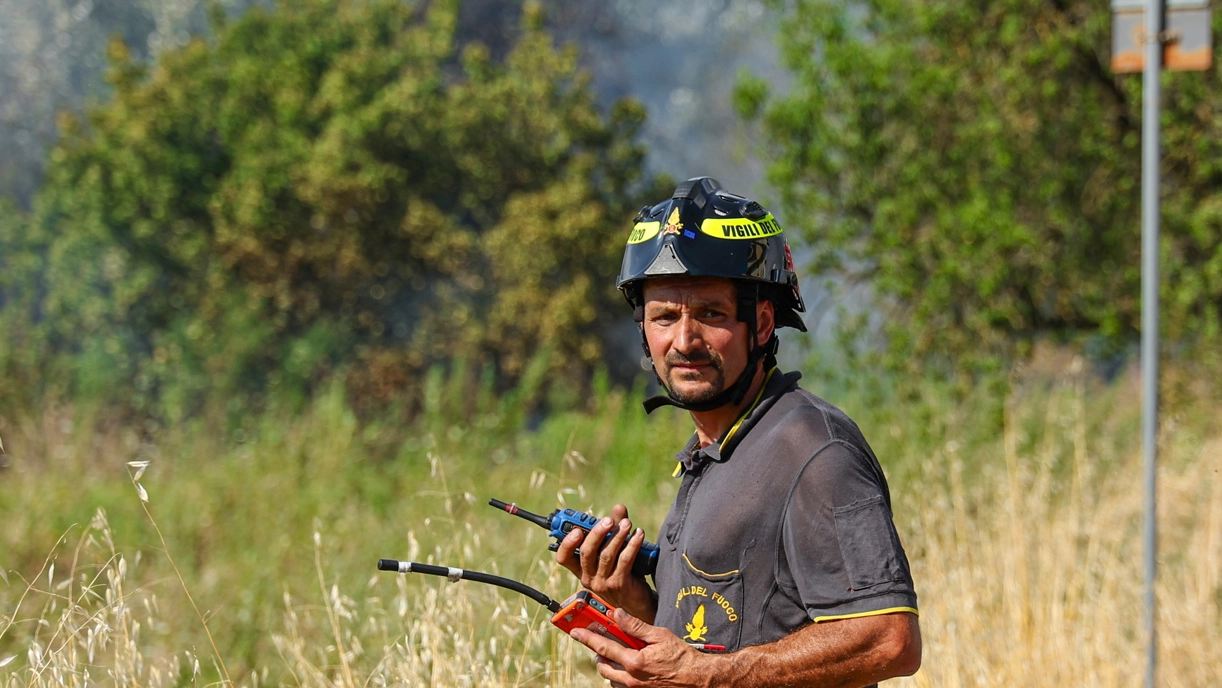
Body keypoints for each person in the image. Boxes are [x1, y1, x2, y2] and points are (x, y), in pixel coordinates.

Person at [555, 177, 921, 687]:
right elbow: (717, 638)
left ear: (764, 323)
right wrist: (632, 601)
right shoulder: (715, 450)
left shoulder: (813, 449)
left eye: (710, 313)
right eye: (664, 316)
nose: (685, 340)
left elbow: (888, 639)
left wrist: (709, 676)